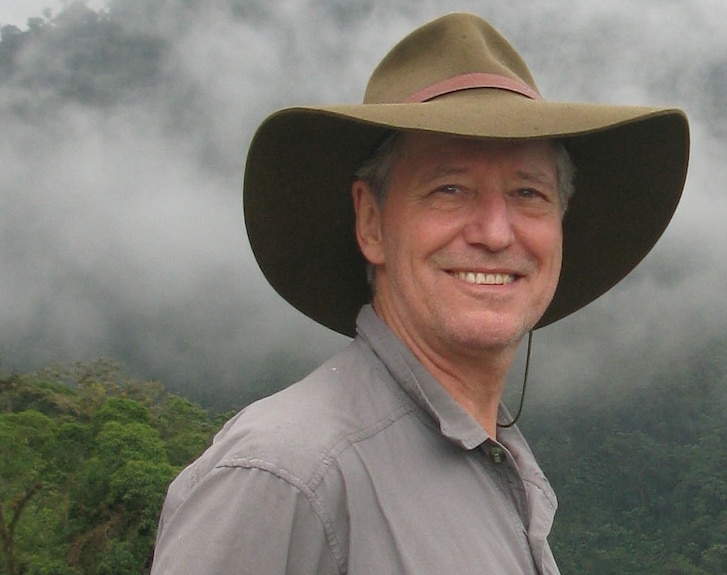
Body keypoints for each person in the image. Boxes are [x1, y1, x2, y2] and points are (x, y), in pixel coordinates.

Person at [150, 12, 689, 575]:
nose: (496, 232)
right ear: (372, 222)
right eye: (449, 189)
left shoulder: (495, 468)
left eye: (528, 193)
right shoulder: (286, 477)